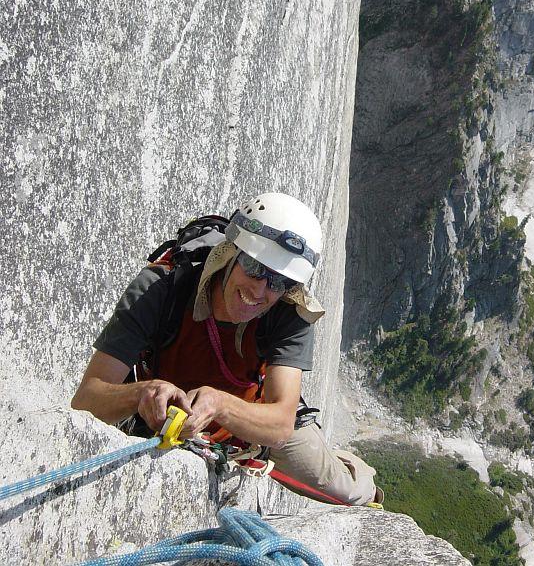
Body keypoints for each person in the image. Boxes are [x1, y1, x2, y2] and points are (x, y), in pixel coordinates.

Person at [71, 192, 381, 506]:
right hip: (166, 416)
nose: (259, 291)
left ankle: (365, 482)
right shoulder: (161, 289)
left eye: (278, 281)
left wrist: (221, 405)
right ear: (230, 252)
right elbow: (87, 399)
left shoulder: (289, 311)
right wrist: (142, 394)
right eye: (253, 266)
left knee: (346, 491)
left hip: (252, 420)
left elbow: (281, 423)